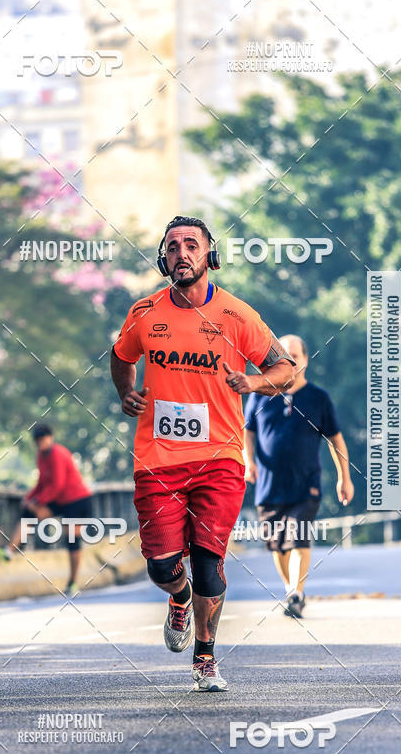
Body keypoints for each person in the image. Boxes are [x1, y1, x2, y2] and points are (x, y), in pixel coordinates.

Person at [110, 215, 294, 691]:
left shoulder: (237, 315)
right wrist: (126, 392)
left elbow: (285, 369)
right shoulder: (145, 312)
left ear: (210, 256)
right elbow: (121, 355)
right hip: (158, 459)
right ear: (163, 259)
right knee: (161, 565)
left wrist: (252, 381)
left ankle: (205, 658)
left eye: (192, 245)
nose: (181, 253)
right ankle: (178, 598)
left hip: (221, 458)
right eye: (172, 247)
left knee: (210, 563)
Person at [244, 334, 354, 618]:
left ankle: (297, 592)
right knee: (278, 546)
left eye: (295, 356)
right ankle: (290, 589)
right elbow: (248, 431)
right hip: (269, 486)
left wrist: (344, 477)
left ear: (305, 360)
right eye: (284, 355)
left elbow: (336, 441)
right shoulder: (260, 394)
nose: (290, 361)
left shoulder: (318, 398)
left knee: (298, 538)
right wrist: (248, 461)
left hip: (306, 485)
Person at [0, 423, 93, 596]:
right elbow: (42, 483)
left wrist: (38, 501)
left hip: (77, 500)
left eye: (43, 439)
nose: (40, 442)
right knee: (29, 514)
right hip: (60, 499)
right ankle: (9, 551)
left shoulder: (58, 454)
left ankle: (73, 583)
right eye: (37, 440)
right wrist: (29, 498)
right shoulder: (41, 456)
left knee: (72, 540)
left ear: (50, 438)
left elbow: (57, 485)